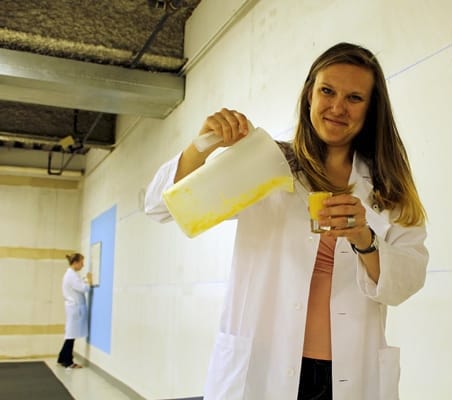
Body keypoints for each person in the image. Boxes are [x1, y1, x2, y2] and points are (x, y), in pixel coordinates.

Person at [145, 42, 429, 399]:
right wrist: (201, 145)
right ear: (309, 94)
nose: (337, 107)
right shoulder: (265, 164)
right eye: (327, 91)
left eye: (355, 98)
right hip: (263, 367)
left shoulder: (388, 188)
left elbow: (407, 281)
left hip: (347, 376)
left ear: (371, 109)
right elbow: (159, 207)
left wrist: (364, 239)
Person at [57, 253, 92, 369]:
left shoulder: (71, 275)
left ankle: (62, 358)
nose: (83, 265)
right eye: (81, 262)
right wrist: (89, 281)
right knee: (71, 336)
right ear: (75, 262)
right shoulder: (71, 276)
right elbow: (83, 288)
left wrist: (84, 281)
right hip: (74, 308)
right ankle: (68, 361)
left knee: (70, 335)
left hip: (72, 307)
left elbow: (78, 285)